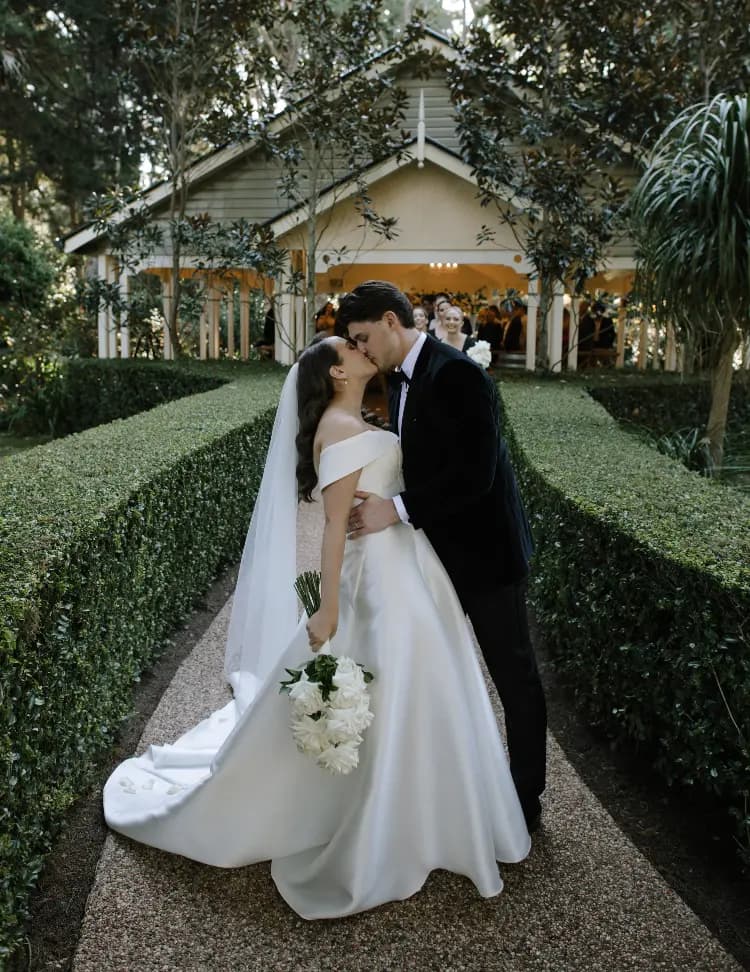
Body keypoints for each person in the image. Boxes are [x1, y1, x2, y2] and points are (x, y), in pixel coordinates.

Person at [101, 334, 531, 919]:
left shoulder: (357, 416)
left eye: (359, 340)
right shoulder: (342, 427)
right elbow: (334, 530)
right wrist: (328, 607)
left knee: (422, 685)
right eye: (349, 348)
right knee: (393, 679)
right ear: (335, 373)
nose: (360, 350)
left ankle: (423, 809)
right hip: (377, 579)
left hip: (408, 567)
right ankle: (384, 818)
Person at [336, 280, 547, 832]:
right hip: (433, 554)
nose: (360, 351)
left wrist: (397, 509)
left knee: (513, 675)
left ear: (389, 320)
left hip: (486, 554)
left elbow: (476, 476)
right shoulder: (400, 380)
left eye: (362, 338)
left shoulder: (457, 373)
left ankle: (526, 801)